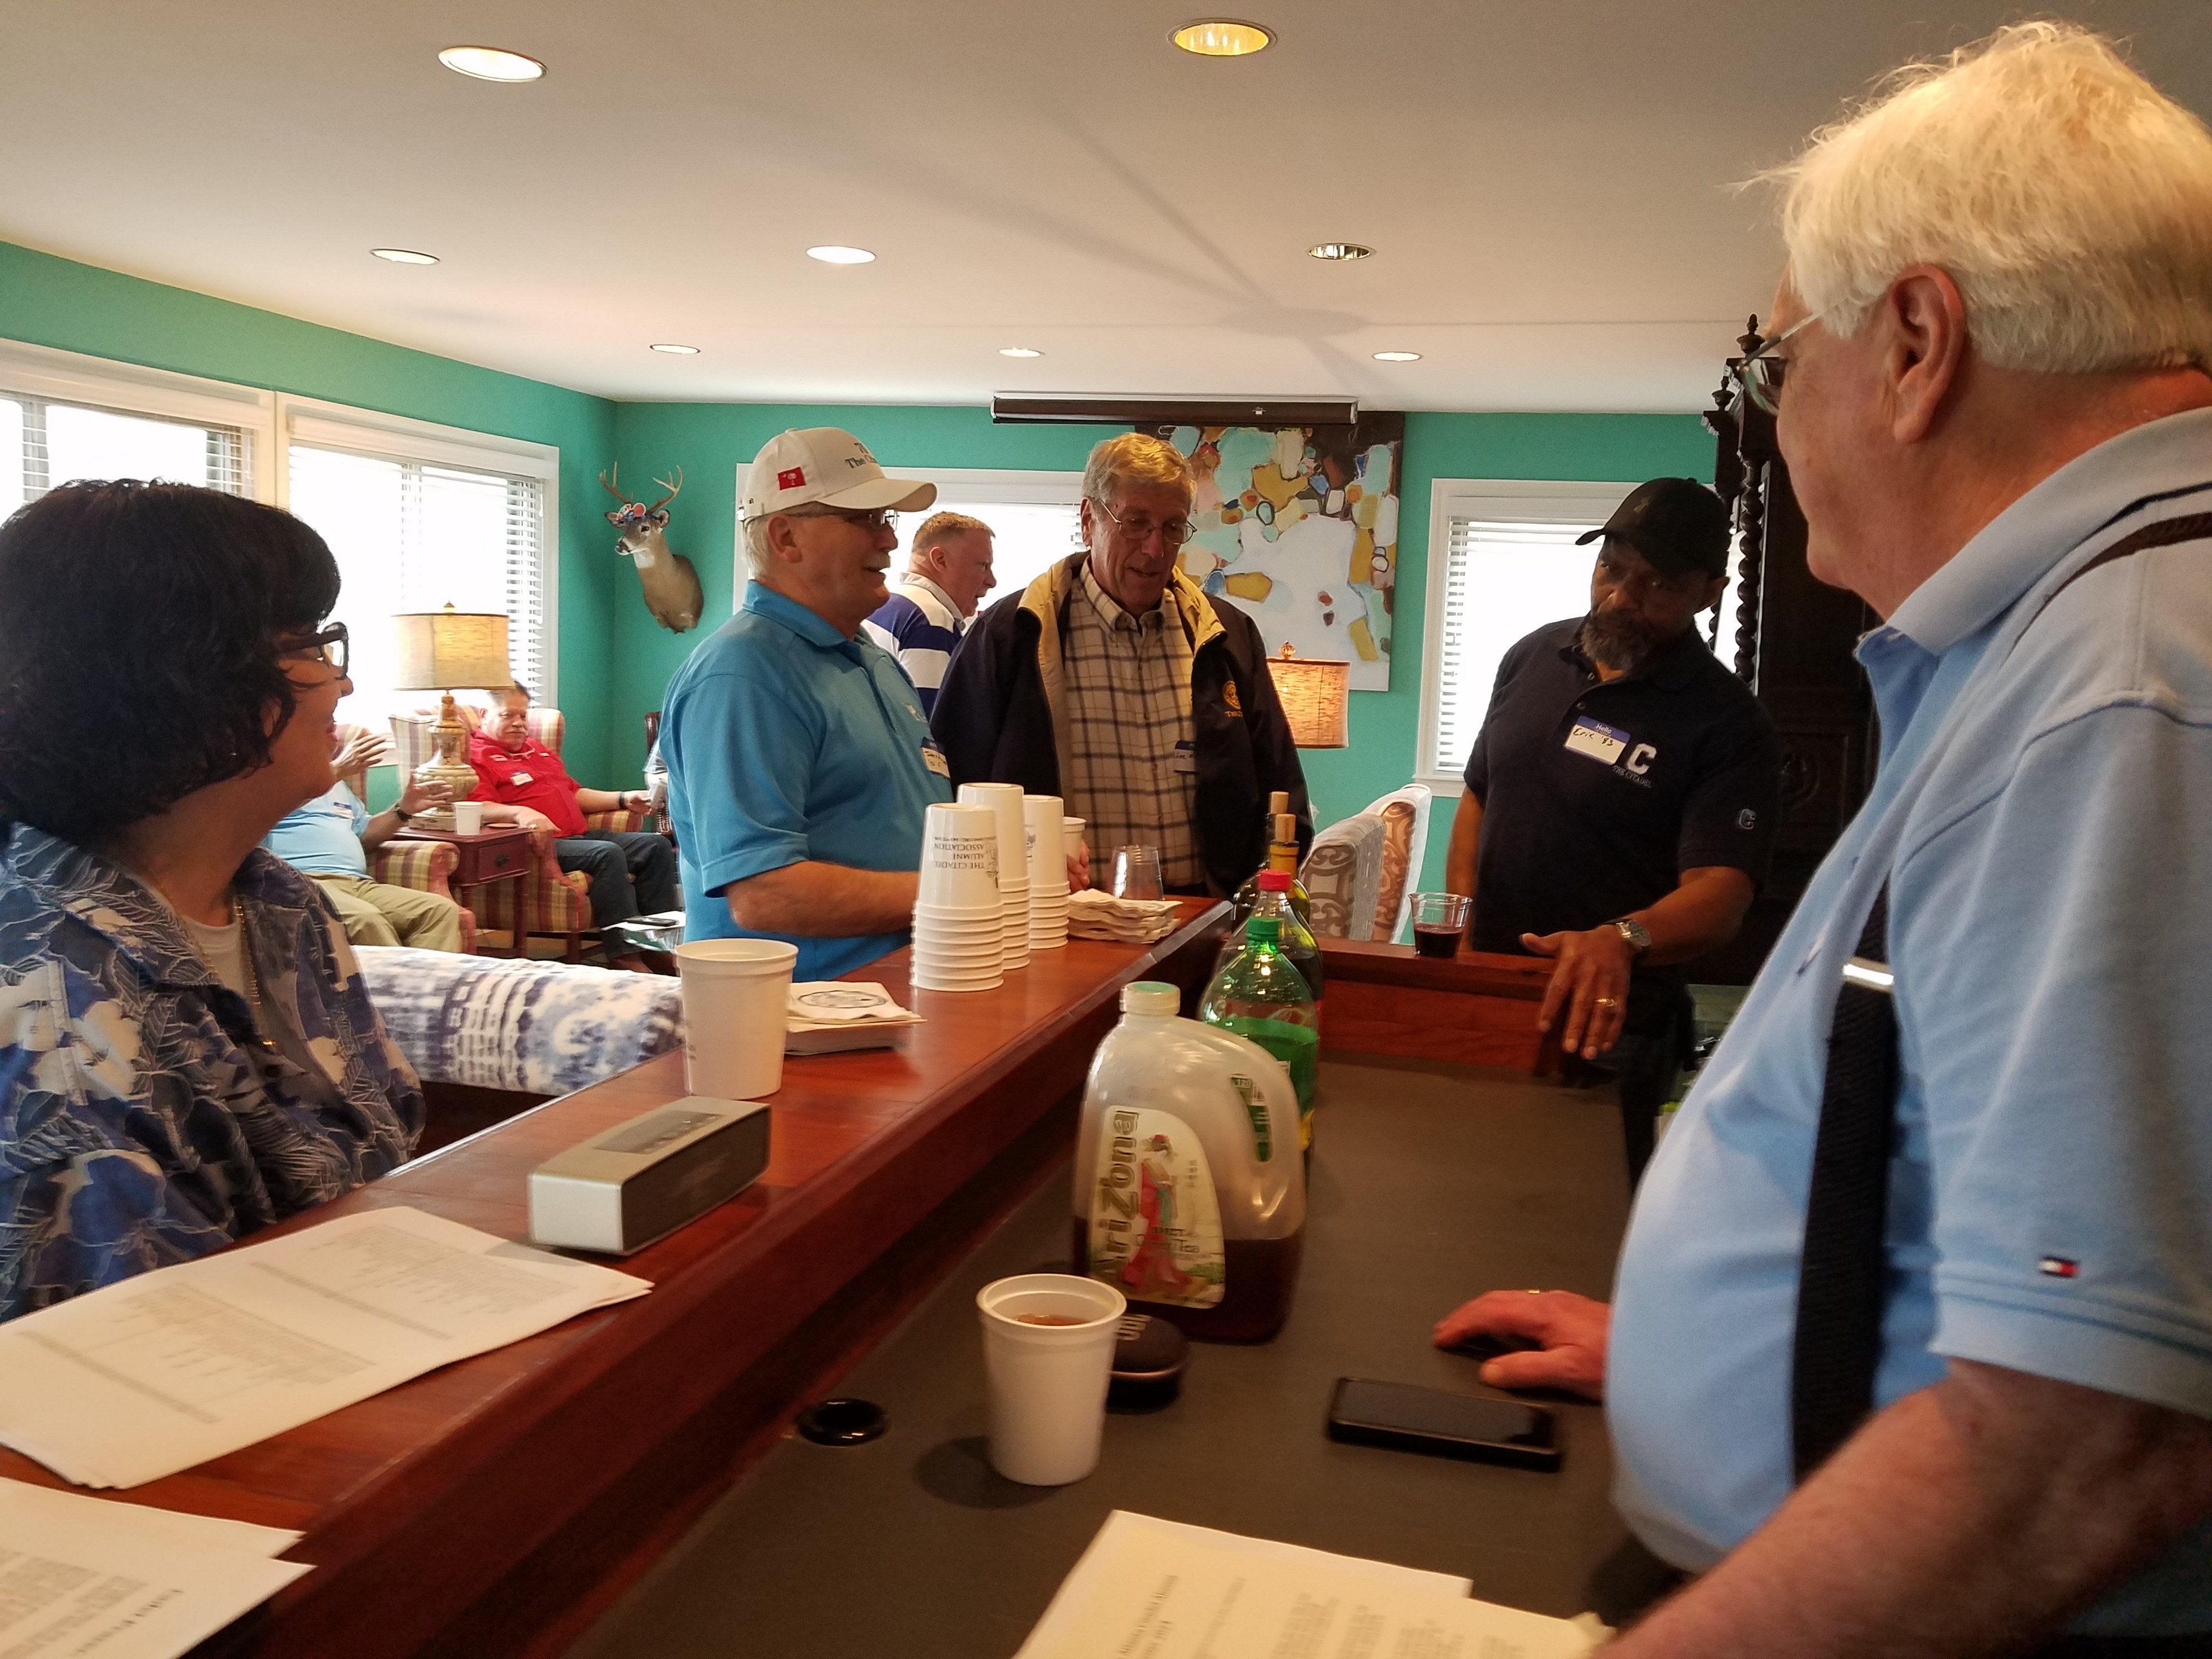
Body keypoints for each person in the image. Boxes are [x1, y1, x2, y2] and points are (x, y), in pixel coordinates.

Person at [1437, 24, 2212, 1653]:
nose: (1777, 431)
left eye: (1776, 371)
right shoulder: (2053, 643)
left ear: (1918, 345)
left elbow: (2083, 1450)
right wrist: (1710, 1350)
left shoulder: (2122, 688)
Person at [0, 481, 424, 1321]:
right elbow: (145, 1351)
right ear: (183, 681)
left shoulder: (281, 905)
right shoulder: (59, 1022)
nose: (340, 685)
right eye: (312, 646)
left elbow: (384, 1156)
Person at [1441, 477, 1780, 1185]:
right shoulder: (1532, 656)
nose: (1621, 597)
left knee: (1580, 1222)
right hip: (1492, 999)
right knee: (1468, 1196)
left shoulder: (1729, 723)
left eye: (1657, 584)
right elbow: (1478, 797)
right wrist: (1466, 931)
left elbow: (1722, 894)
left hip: (1611, 1027)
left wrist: (1620, 939)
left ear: (1709, 593)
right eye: (1611, 568)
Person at [933, 433, 1310, 894]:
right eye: (1136, 523)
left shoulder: (1227, 635)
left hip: (1204, 917)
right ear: (1089, 520)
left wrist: (1257, 904)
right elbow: (953, 796)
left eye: (1173, 527)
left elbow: (1282, 792)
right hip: (1061, 916)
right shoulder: (1010, 635)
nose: (1155, 548)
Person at [659, 427, 951, 977]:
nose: (889, 539)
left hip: (892, 997)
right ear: (786, 537)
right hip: (800, 1015)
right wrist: (960, 890)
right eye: (864, 519)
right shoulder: (743, 676)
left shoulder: (873, 660)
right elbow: (765, 894)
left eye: (886, 518)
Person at [465, 683, 679, 940]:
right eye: (508, 715)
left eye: (523, 715)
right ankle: (624, 949)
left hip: (578, 837)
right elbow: (479, 808)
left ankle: (659, 940)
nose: (519, 723)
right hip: (541, 844)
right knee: (607, 853)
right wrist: (519, 813)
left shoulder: (537, 750)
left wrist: (623, 799)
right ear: (484, 715)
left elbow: (574, 793)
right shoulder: (475, 756)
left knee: (656, 846)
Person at [262, 729, 466, 952]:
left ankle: (427, 977)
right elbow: (265, 813)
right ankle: (396, 976)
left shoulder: (338, 785)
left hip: (358, 883)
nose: (335, 735)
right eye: (326, 726)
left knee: (440, 911)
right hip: (304, 881)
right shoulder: (271, 776)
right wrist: (337, 771)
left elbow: (365, 835)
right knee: (367, 920)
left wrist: (403, 809)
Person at [861, 510, 997, 715]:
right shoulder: (931, 619)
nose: (992, 581)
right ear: (940, 560)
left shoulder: (889, 605)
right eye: (983, 566)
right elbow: (931, 724)